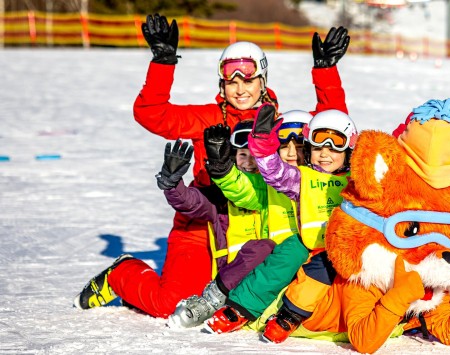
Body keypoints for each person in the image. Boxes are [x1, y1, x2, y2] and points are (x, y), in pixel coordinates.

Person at [73, 12, 349, 318]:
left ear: (263, 80)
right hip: (202, 220)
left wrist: (326, 72)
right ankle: (123, 274)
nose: (240, 89)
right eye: (232, 81)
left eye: (249, 79)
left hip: (256, 221)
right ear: (222, 83)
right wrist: (163, 62)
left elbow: (331, 130)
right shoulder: (208, 118)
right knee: (172, 304)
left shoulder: (276, 123)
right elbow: (152, 114)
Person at [204, 106, 358, 344]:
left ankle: (293, 317)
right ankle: (240, 309)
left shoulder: (355, 181)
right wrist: (258, 152)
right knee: (289, 253)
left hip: (337, 253)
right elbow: (270, 176)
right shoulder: (299, 178)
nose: (326, 152)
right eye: (319, 145)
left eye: (335, 144)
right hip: (296, 252)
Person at [168, 110, 315, 328]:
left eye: (301, 148)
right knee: (263, 248)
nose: (292, 154)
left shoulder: (324, 182)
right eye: (284, 147)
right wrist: (222, 169)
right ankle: (214, 302)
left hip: (310, 273)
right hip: (267, 277)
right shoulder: (269, 187)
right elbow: (242, 189)